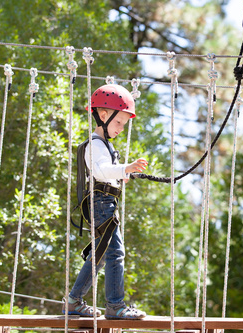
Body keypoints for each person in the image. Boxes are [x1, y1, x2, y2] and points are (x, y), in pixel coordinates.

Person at [62, 84, 148, 320]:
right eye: (119, 122)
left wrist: (122, 176)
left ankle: (73, 300)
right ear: (103, 116)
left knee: (100, 255)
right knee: (115, 253)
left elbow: (104, 173)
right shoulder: (95, 145)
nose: (121, 128)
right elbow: (101, 171)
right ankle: (115, 305)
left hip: (103, 203)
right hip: (100, 204)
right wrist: (124, 169)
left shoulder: (103, 145)